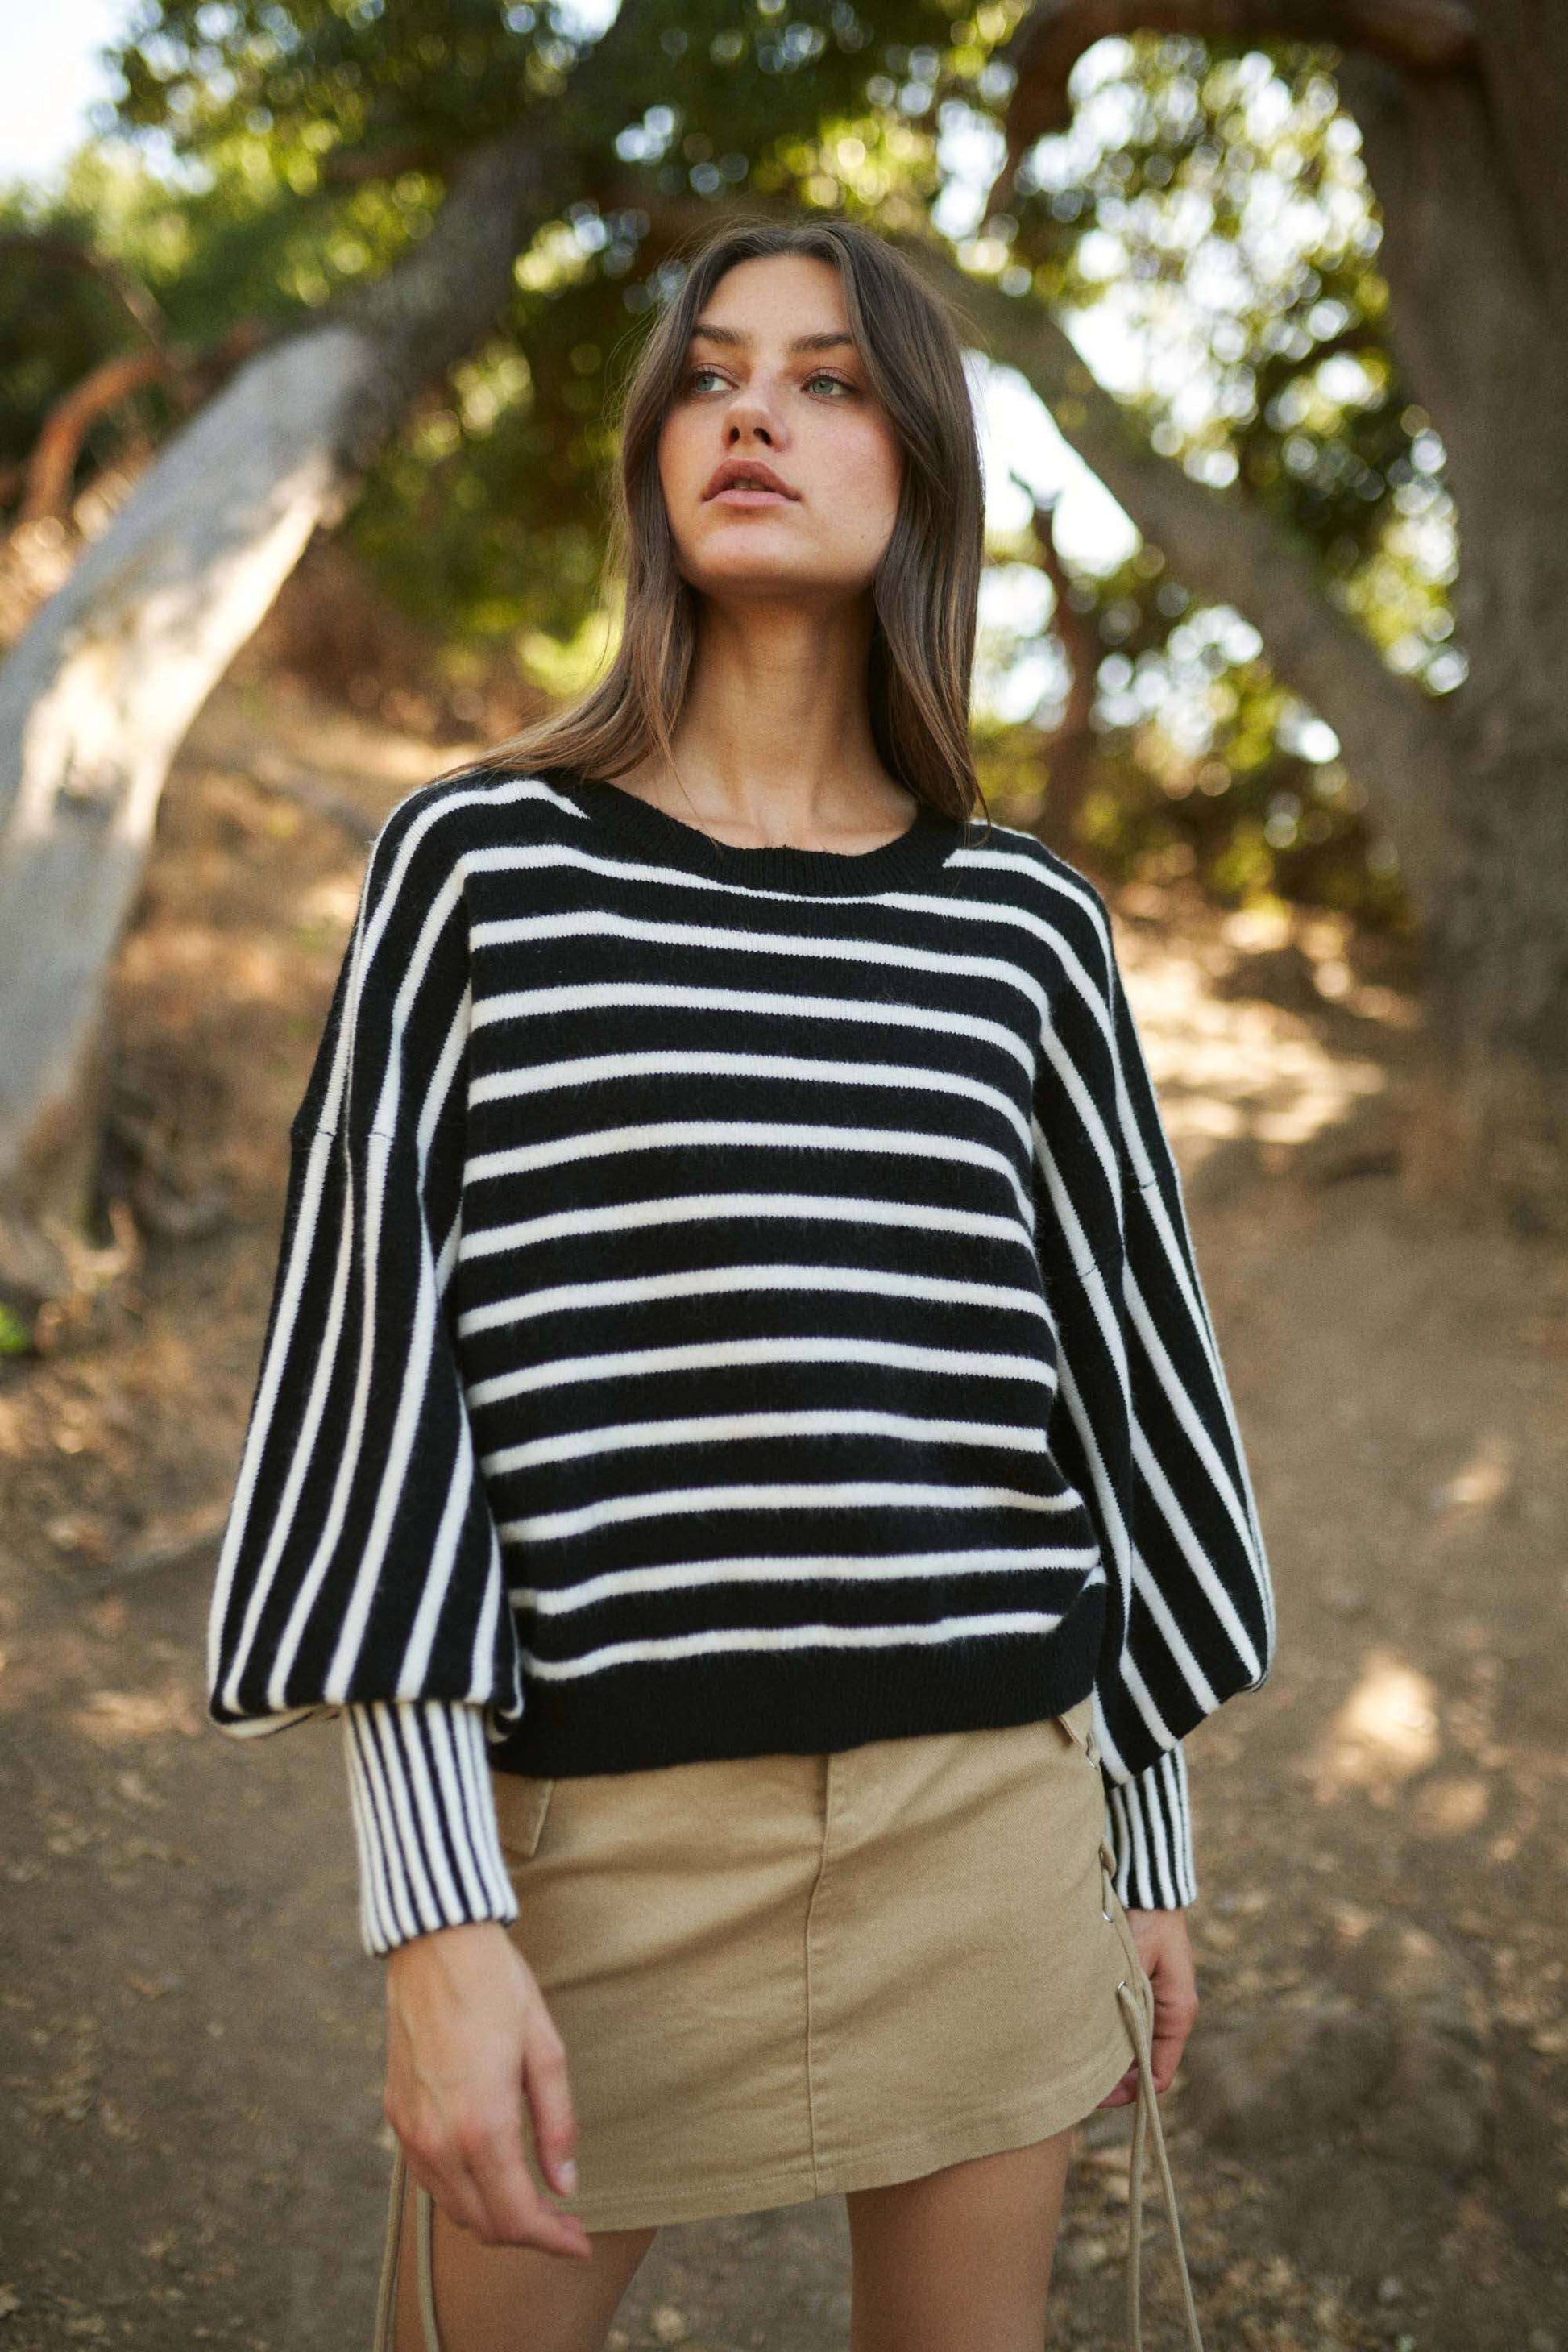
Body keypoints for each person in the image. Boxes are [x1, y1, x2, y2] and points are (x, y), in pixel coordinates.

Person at [206, 213, 1275, 2352]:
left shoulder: (1022, 925)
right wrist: (435, 1923)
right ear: (649, 458)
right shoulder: (477, 867)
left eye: (823, 376)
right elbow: (377, 1391)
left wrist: (1139, 1847)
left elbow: (1110, 1394)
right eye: (705, 376)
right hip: (596, 1849)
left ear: (923, 467)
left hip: (987, 1826)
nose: (751, 413)